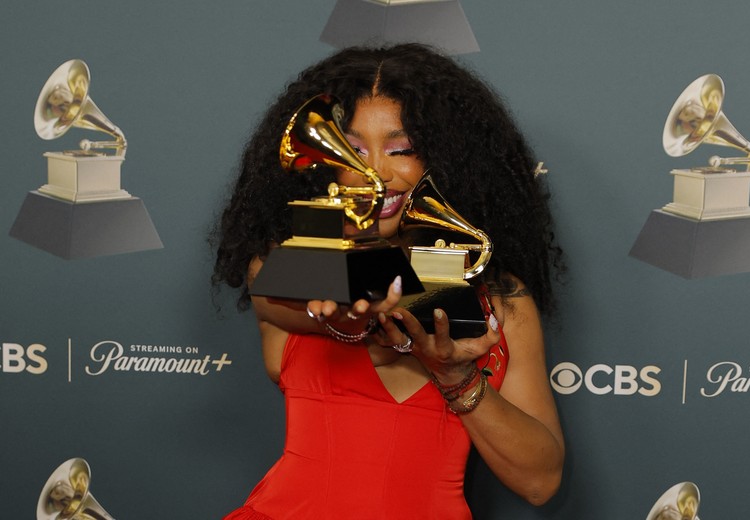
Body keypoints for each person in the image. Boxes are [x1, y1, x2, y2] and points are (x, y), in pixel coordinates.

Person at [212, 43, 565, 519]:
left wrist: (456, 376)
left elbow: (540, 482)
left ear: (446, 158)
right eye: (353, 149)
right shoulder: (281, 262)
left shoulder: (504, 299)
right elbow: (290, 286)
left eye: (403, 149)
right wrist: (358, 311)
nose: (374, 173)